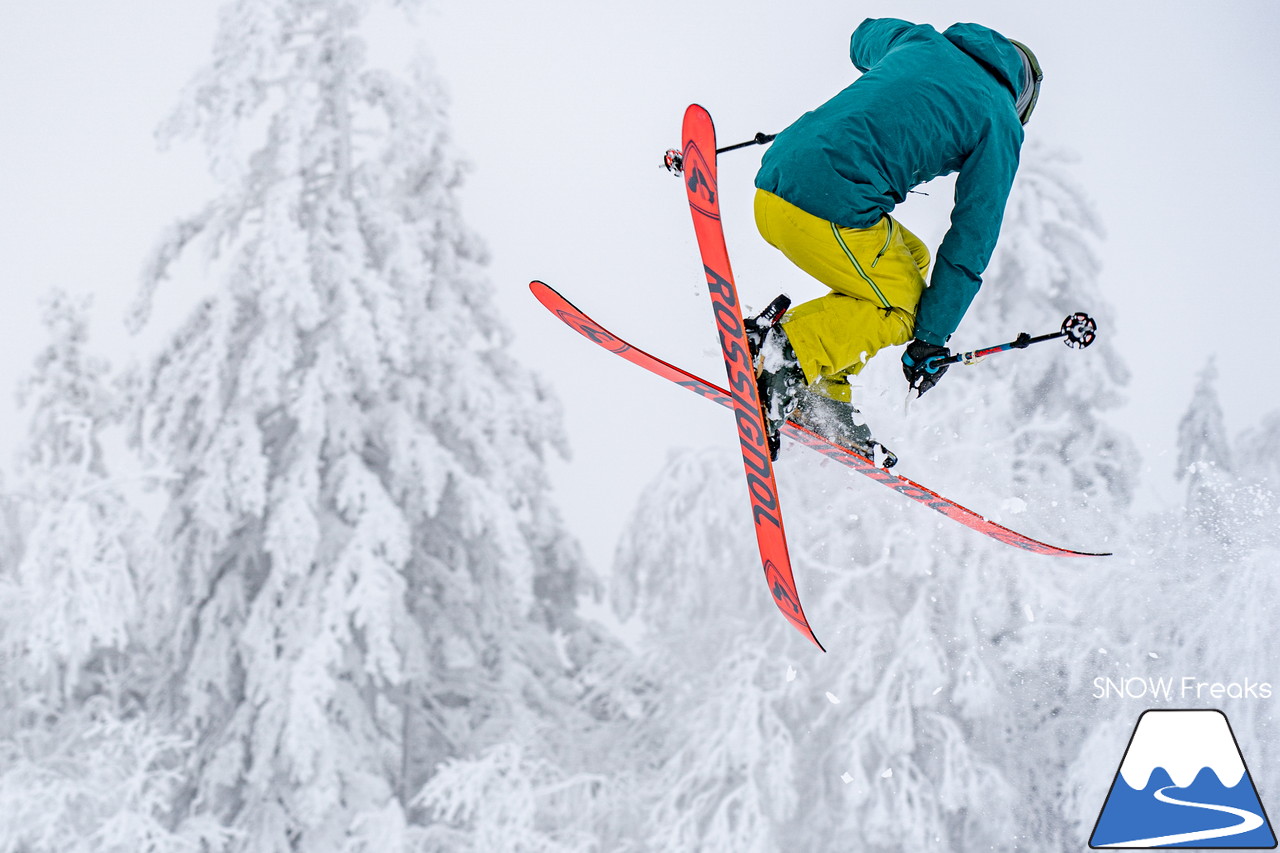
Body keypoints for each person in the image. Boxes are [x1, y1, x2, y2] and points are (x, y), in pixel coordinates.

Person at [749, 18, 1042, 462]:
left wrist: (905, 75)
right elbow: (973, 233)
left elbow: (861, 38)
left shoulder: (921, 40)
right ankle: (786, 356)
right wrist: (931, 336)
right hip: (825, 208)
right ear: (1021, 100)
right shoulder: (999, 119)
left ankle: (824, 385)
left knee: (912, 258)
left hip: (774, 185)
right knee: (906, 310)